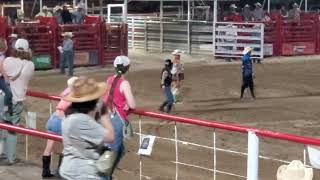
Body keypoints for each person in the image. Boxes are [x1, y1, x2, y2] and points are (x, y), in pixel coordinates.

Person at [59, 76, 115, 179]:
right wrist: (104, 114)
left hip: (70, 169)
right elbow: (110, 137)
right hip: (82, 173)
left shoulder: (70, 117)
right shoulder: (82, 121)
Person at [0, 39, 35, 165]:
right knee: (12, 129)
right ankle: (11, 157)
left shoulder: (7, 61)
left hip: (3, 97)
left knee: (2, 125)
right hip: (17, 99)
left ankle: (2, 153)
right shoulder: (30, 65)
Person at [103, 55, 136, 180]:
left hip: (107, 116)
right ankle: (105, 177)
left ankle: (107, 175)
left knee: (118, 151)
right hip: (117, 120)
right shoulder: (124, 83)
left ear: (115, 67)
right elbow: (132, 104)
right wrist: (127, 104)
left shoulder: (109, 79)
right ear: (128, 68)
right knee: (111, 153)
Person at [41, 76, 78, 178]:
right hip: (63, 121)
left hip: (53, 118)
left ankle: (45, 171)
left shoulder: (66, 93)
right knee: (67, 147)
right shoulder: (75, 96)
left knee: (49, 147)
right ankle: (60, 171)